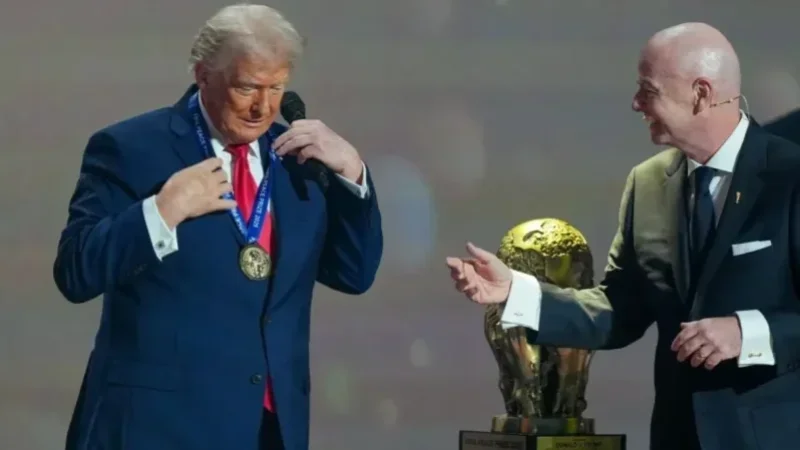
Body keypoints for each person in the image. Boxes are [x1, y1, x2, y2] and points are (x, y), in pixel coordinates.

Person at [447, 23, 800, 450]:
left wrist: (747, 332)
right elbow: (618, 310)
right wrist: (514, 292)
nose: (635, 104)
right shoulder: (647, 184)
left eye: (648, 91)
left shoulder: (790, 175)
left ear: (701, 94)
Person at [54, 4, 383, 450]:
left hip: (268, 431)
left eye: (277, 87)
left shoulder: (299, 161)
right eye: (247, 87)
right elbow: (75, 272)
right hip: (157, 430)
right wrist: (161, 212)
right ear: (203, 74)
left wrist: (353, 174)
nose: (263, 107)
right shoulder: (130, 148)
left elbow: (353, 273)